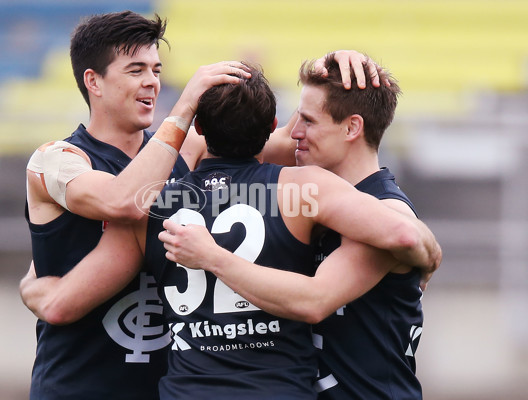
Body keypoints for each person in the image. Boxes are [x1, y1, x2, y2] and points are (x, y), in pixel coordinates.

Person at [21, 62, 441, 399]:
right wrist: (429, 254)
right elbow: (402, 237)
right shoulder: (305, 189)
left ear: (199, 130)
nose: (297, 132)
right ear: (272, 124)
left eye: (307, 121)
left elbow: (63, 301)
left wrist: (34, 287)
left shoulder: (154, 207)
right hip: (280, 389)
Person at [159, 54, 437, 399]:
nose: (295, 134)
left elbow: (315, 300)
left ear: (351, 128)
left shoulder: (383, 212)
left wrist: (211, 256)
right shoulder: (327, 200)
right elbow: (228, 144)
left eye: (307, 121)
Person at [23, 10, 253, 400]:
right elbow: (123, 200)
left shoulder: (186, 149)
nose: (151, 82)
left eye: (156, 69)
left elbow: (295, 139)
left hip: (166, 388)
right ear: (93, 81)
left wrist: (336, 68)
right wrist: (182, 109)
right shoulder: (56, 160)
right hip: (76, 388)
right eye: (135, 70)